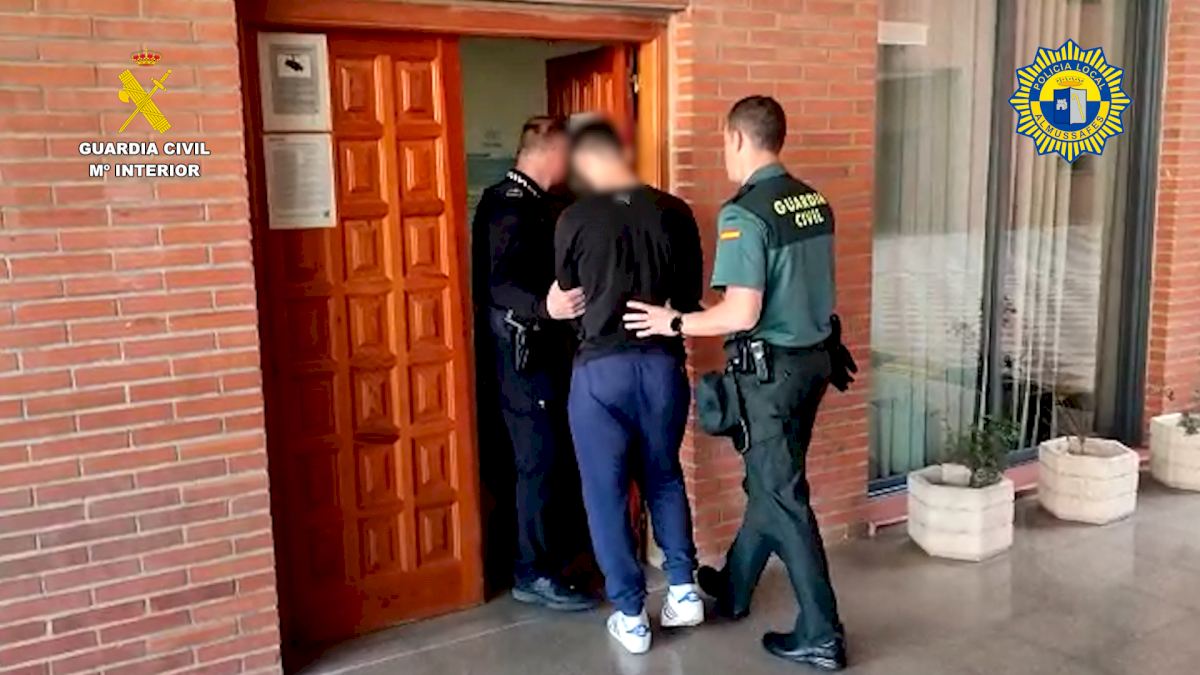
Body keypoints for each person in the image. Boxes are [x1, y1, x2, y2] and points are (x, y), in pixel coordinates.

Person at [623, 95, 848, 671]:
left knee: (783, 497)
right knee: (770, 483)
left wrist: (674, 321)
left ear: (738, 138)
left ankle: (822, 631)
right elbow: (787, 290)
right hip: (814, 362)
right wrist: (706, 309)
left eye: (724, 142)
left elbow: (742, 313)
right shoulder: (813, 201)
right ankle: (734, 586)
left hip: (771, 377)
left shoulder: (744, 213)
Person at [555, 119, 705, 654]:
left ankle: (631, 616)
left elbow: (568, 298)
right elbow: (689, 297)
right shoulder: (675, 211)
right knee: (664, 474)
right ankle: (683, 588)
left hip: (601, 370)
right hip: (662, 365)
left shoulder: (573, 218)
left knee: (606, 493)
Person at [472, 116, 595, 611]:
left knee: (550, 460)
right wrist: (545, 307)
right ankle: (532, 572)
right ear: (554, 152)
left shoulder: (543, 202)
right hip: (522, 361)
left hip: (548, 356)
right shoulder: (507, 206)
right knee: (536, 462)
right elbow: (496, 284)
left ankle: (553, 558)